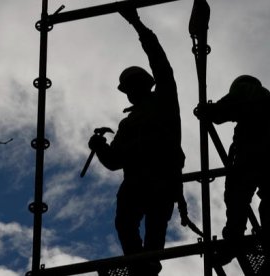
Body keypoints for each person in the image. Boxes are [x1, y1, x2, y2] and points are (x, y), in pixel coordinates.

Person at [88, 7, 185, 276]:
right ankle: (138, 264)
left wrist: (137, 24)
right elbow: (114, 161)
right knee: (125, 223)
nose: (130, 92)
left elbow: (160, 60)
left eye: (133, 86)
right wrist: (99, 147)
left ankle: (148, 265)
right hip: (135, 181)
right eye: (127, 88)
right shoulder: (127, 124)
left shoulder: (164, 102)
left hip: (162, 176)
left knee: (155, 227)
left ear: (144, 85)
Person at [195, 75, 270, 275]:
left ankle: (233, 241)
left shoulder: (249, 91)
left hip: (252, 158)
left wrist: (208, 111)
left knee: (237, 198)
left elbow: (227, 108)